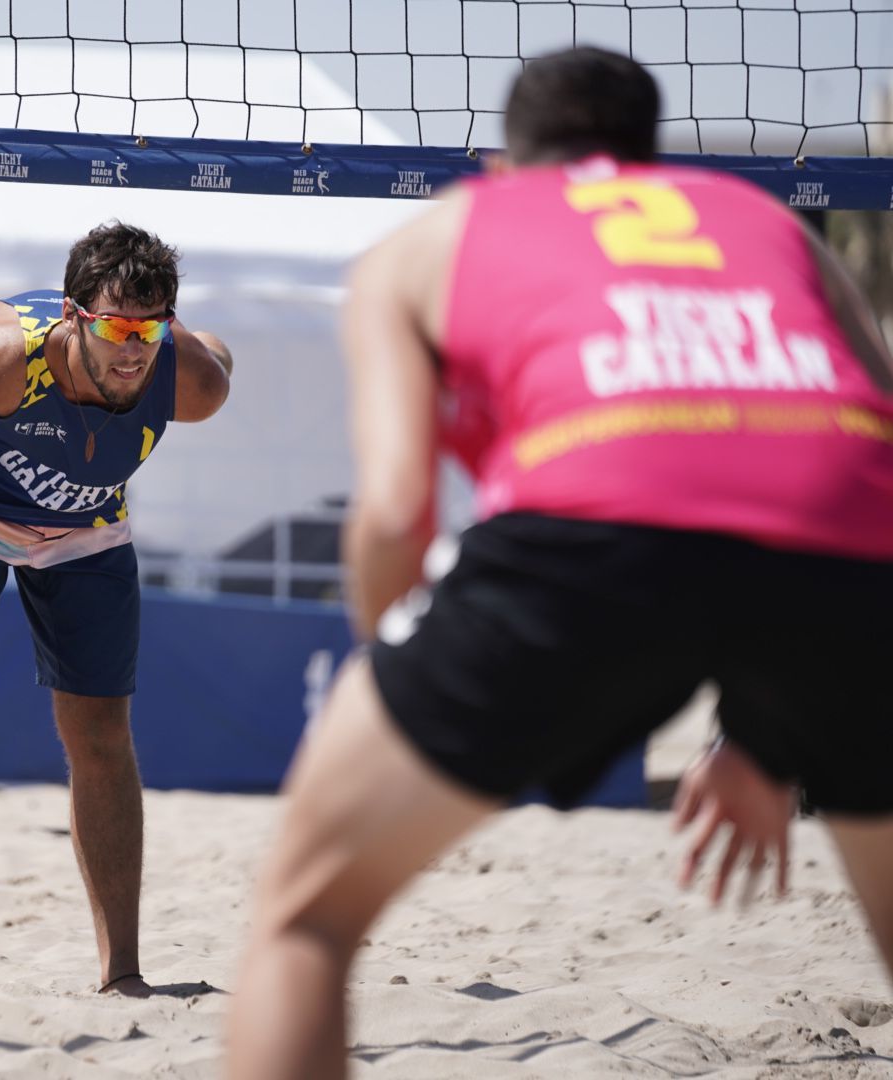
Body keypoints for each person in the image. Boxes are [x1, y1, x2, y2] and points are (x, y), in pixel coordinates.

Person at [226, 47, 893, 1079]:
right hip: (853, 550)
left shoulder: (430, 238)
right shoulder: (759, 218)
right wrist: (766, 737)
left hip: (587, 531)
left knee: (303, 919)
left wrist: (395, 681)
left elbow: (396, 508)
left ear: (505, 162)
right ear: (648, 152)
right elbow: (866, 432)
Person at [0, 221, 233, 994]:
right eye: (117, 328)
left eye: (151, 329)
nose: (134, 349)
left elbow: (215, 356)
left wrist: (169, 337)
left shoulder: (189, 381)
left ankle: (122, 971)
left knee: (100, 730)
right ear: (73, 315)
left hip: (82, 523)